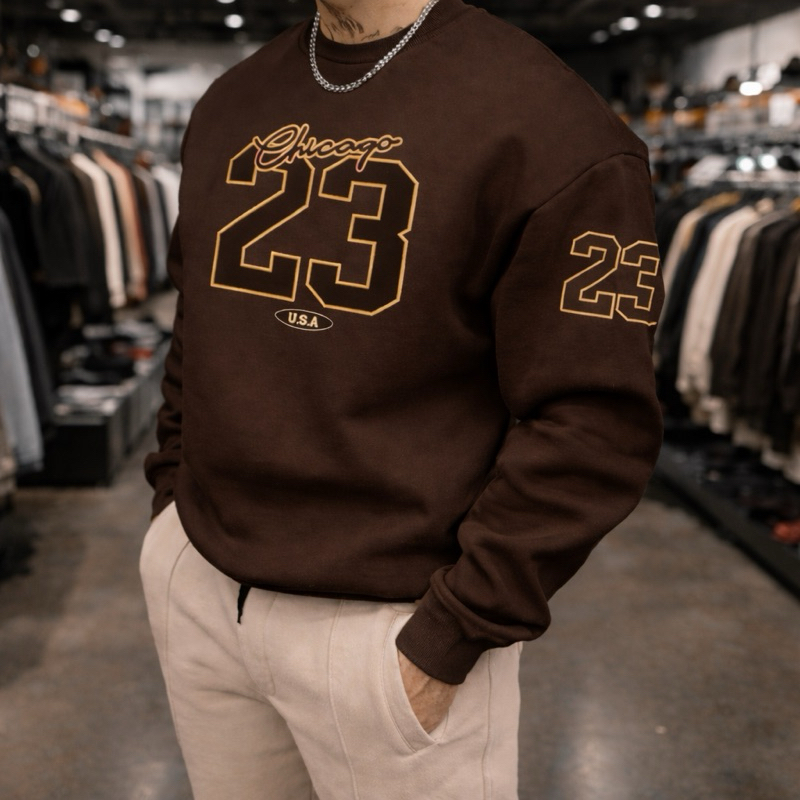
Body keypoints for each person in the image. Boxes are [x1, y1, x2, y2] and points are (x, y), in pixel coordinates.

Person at [140, 0, 664, 797]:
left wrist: (453, 633)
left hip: (390, 629)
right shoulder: (233, 100)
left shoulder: (554, 129)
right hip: (203, 590)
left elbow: (595, 421)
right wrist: (170, 517)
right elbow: (198, 326)